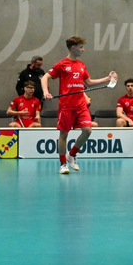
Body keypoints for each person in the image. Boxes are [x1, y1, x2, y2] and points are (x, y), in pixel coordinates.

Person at [41, 36, 116, 175]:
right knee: (64, 134)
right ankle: (63, 164)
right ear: (73, 48)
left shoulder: (81, 65)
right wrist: (46, 92)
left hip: (81, 105)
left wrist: (107, 79)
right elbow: (45, 77)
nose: (83, 50)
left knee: (87, 130)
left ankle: (72, 154)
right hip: (66, 106)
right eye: (81, 47)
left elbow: (89, 83)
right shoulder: (62, 64)